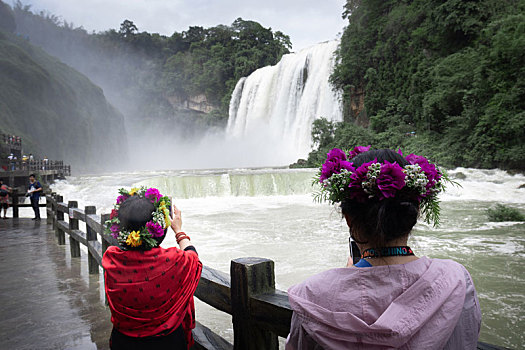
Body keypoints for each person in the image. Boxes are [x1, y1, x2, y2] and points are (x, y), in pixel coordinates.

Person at [286, 147, 481, 350]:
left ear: (348, 219)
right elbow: (466, 339)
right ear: (416, 213)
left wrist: (352, 274)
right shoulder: (456, 280)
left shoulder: (312, 296)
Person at [102, 187, 202, 350]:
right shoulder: (174, 260)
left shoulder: (111, 259)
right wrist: (179, 230)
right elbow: (193, 258)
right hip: (168, 343)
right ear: (159, 229)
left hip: (124, 343)